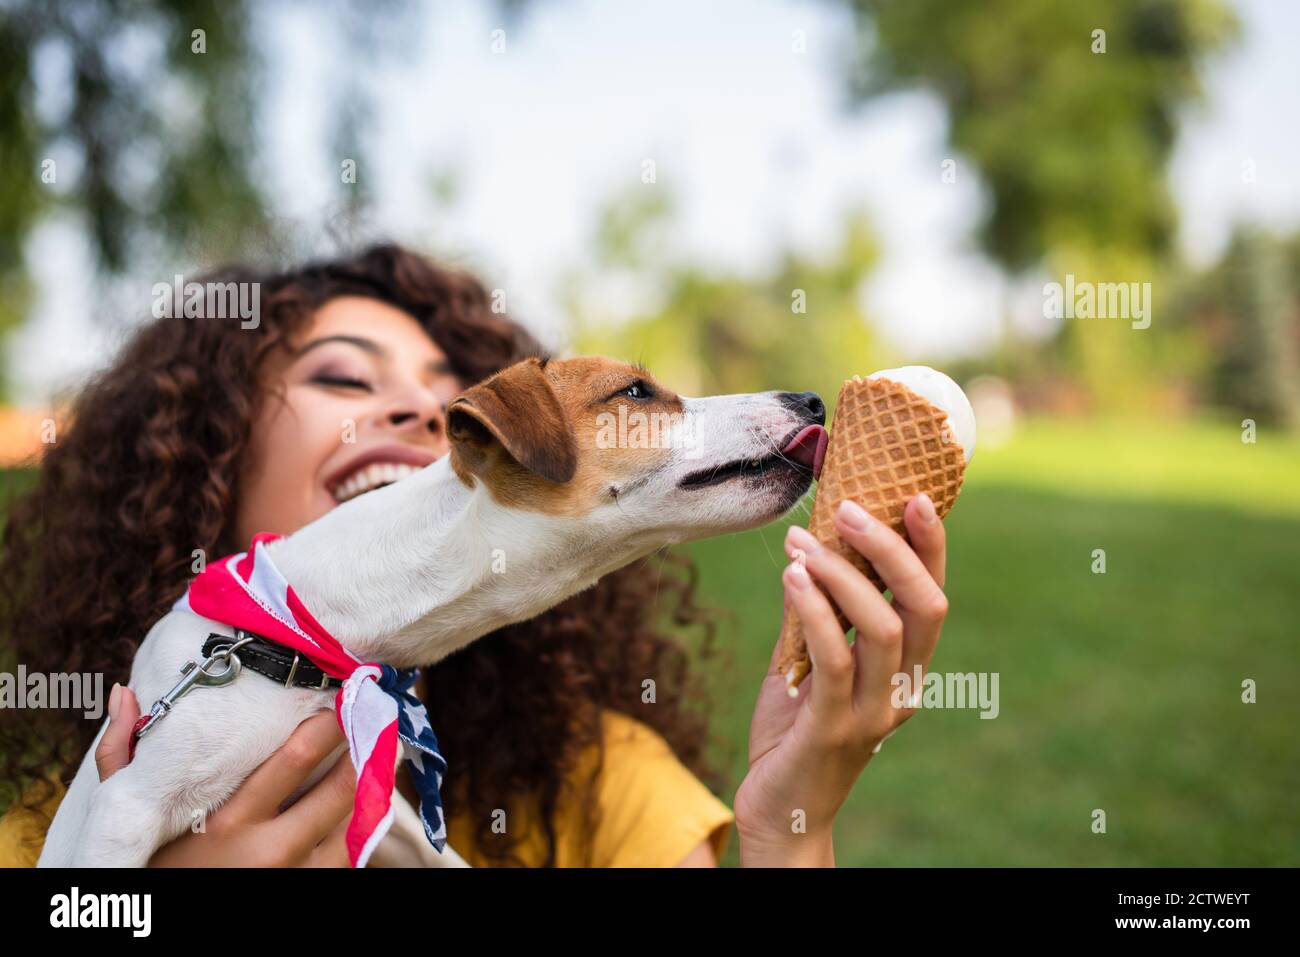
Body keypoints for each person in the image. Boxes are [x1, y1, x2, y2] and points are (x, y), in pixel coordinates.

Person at [0, 243, 951, 867]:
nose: (422, 412)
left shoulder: (609, 789)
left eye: (447, 393)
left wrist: (793, 824)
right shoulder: (65, 805)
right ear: (209, 443)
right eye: (343, 374)